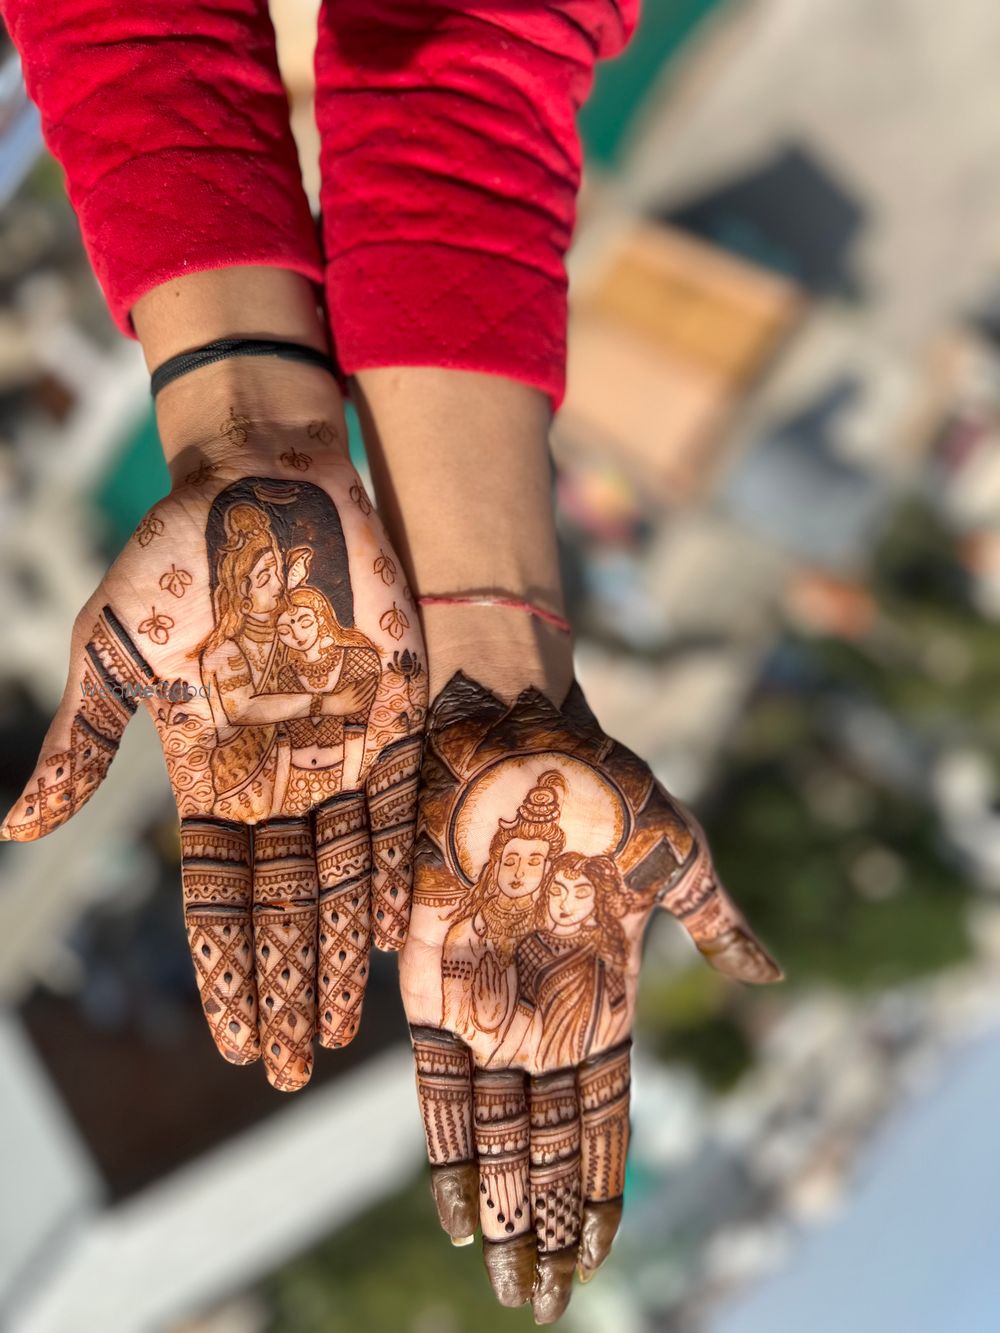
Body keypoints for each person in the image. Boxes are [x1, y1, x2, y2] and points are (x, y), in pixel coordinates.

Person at [440, 770, 566, 1057]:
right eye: (511, 860)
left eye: (534, 861)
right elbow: (454, 1018)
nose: (519, 873)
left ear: (547, 869)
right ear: (494, 866)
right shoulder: (466, 933)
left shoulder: (550, 936)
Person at [513, 851, 631, 1068]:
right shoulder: (531, 945)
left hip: (590, 1062)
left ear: (598, 898)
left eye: (581, 893)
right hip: (538, 1060)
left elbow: (618, 1012)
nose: (565, 903)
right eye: (557, 890)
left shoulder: (605, 945)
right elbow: (523, 1013)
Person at [275, 584, 381, 803]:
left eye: (305, 622)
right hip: (295, 787)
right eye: (284, 631)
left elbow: (356, 734)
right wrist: (278, 804)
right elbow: (283, 747)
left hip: (343, 781)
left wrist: (347, 793)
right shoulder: (284, 675)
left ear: (321, 619)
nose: (297, 635)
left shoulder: (358, 660)